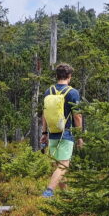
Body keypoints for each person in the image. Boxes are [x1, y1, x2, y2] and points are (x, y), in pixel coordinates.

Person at [40, 63, 83, 197]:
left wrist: (44, 133)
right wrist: (80, 137)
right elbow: (78, 116)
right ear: (69, 76)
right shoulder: (72, 93)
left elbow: (45, 114)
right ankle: (49, 191)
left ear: (57, 76)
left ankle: (67, 197)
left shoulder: (49, 91)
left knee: (59, 166)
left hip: (52, 133)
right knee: (63, 166)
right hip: (66, 134)